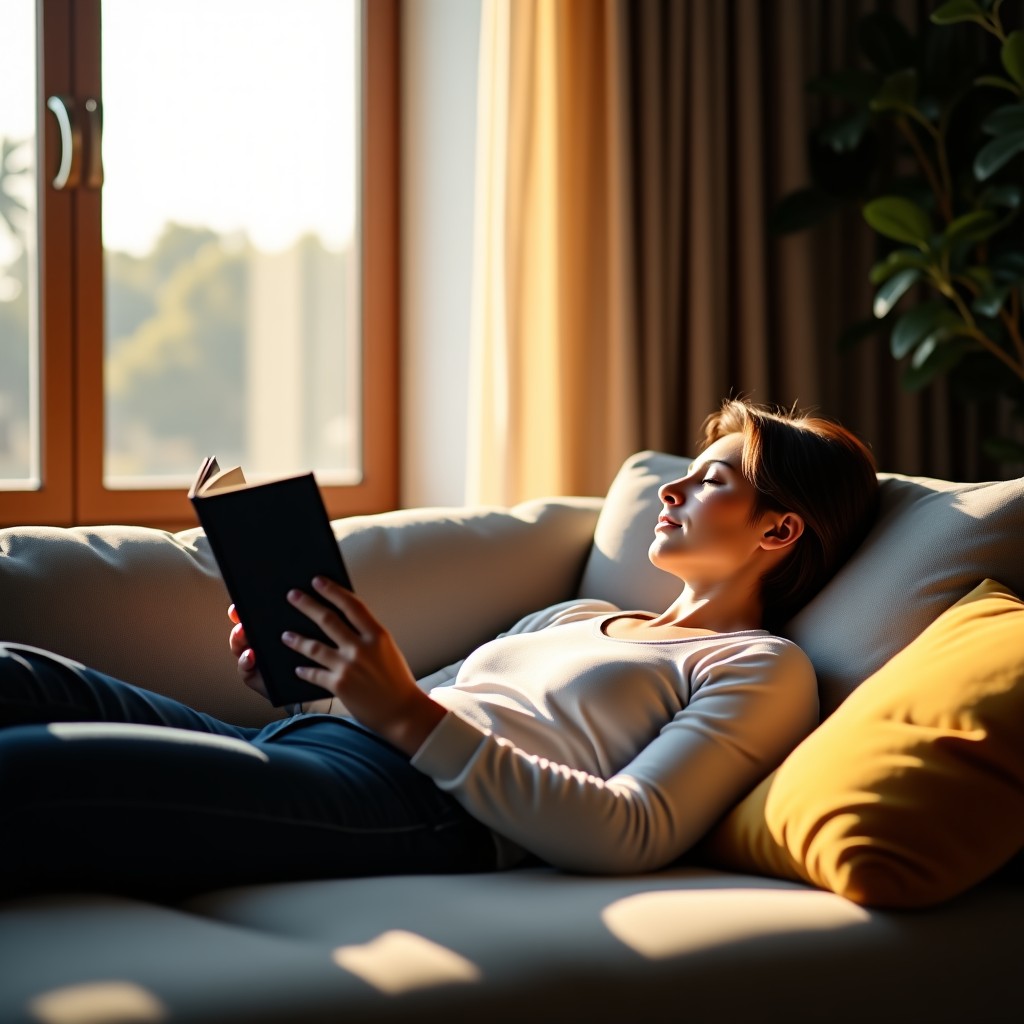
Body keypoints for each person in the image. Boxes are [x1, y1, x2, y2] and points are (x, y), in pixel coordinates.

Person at [0, 399, 879, 897]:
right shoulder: (574, 615)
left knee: (35, 771)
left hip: (420, 809)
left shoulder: (758, 666)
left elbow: (634, 829)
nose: (675, 486)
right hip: (317, 749)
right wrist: (308, 677)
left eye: (713, 479)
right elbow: (393, 710)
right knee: (22, 676)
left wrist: (401, 709)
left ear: (780, 530)